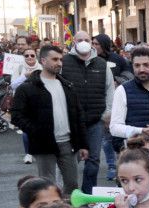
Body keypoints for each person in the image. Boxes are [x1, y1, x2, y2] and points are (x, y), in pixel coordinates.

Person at [12, 45, 90, 195]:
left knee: (72, 185)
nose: (59, 63)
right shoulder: (28, 87)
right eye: (54, 59)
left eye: (61, 59)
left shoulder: (67, 86)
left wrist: (83, 144)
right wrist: (36, 131)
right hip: (44, 144)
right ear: (43, 60)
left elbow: (78, 116)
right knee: (47, 187)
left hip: (68, 143)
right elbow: (16, 115)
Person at [62, 32, 115, 194]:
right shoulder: (64, 62)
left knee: (94, 160)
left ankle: (87, 193)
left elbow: (110, 89)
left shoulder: (102, 64)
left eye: (87, 40)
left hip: (95, 120)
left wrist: (107, 113)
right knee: (69, 159)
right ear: (74, 42)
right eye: (80, 40)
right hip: (71, 121)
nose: (83, 43)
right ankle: (69, 192)